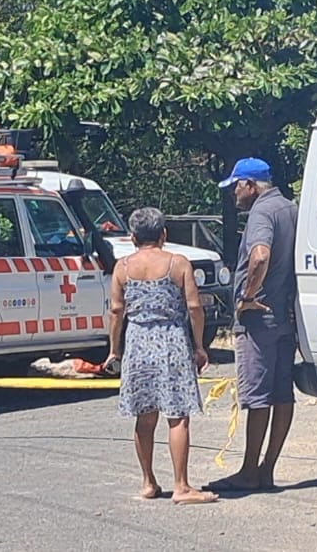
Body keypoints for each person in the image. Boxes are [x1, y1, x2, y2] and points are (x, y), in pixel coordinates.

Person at [106, 207, 218, 505]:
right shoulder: (177, 263)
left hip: (138, 342)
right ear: (163, 234)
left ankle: (148, 482)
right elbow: (194, 307)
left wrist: (114, 349)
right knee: (177, 416)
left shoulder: (122, 268)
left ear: (132, 237)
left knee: (144, 416)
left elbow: (117, 311)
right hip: (172, 342)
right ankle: (181, 485)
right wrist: (199, 346)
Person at [205, 158, 298, 493]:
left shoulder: (261, 212)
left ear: (249, 184)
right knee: (282, 394)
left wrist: (247, 296)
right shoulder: (291, 208)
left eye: (235, 187)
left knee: (257, 396)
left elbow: (259, 255)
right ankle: (267, 468)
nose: (234, 194)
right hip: (286, 316)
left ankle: (248, 471)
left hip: (259, 320)